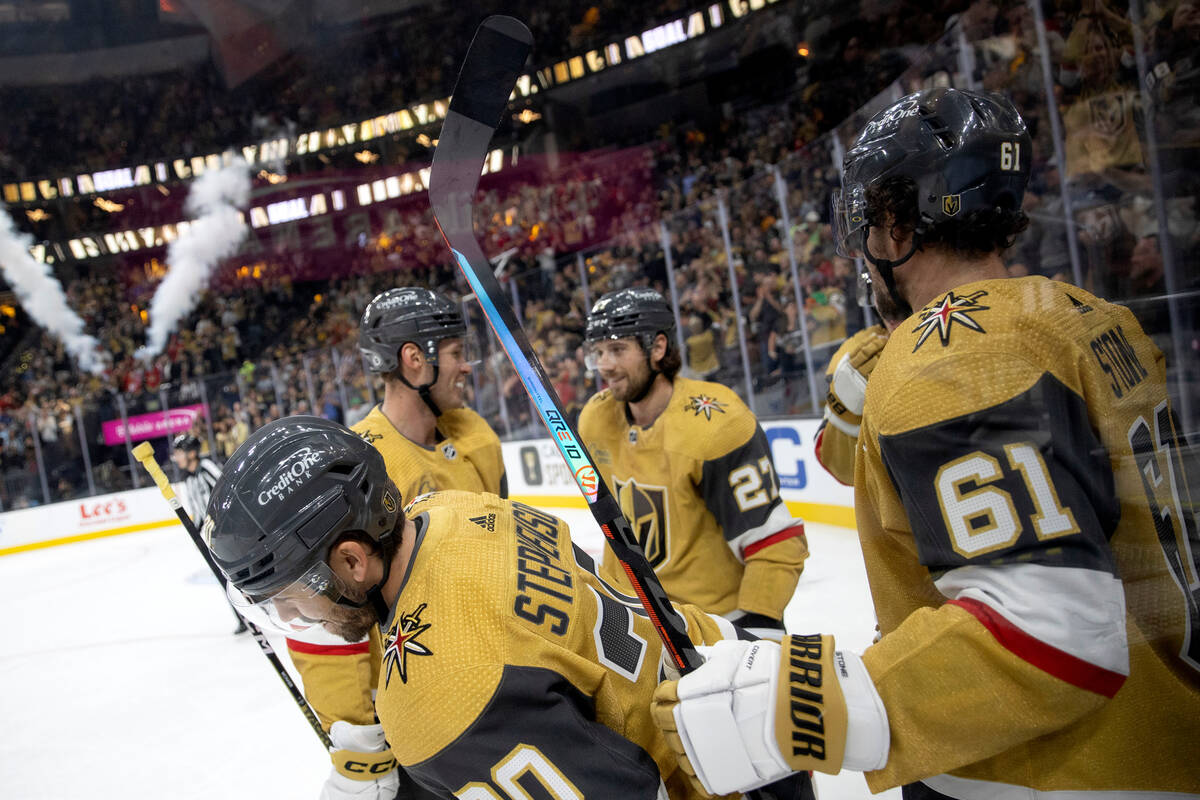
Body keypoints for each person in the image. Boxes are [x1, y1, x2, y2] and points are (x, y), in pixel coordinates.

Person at [651, 87, 1200, 798]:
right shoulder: (1088, 316)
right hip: (1166, 731)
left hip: (1056, 772)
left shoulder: (949, 352)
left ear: (895, 221)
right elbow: (847, 464)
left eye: (871, 220)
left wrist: (810, 705)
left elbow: (1050, 632)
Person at [204, 416, 810, 799]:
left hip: (713, 779)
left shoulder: (433, 702)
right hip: (741, 694)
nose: (295, 619)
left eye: (288, 598)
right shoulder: (455, 510)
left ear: (351, 562)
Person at [283, 287, 507, 800]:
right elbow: (329, 614)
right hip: (425, 711)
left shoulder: (477, 436)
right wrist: (361, 744)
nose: (466, 366)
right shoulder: (355, 467)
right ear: (414, 359)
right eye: (455, 353)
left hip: (503, 679)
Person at [579, 287, 809, 632]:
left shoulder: (717, 422)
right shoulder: (595, 420)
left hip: (711, 629)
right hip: (635, 626)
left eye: (617, 349)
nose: (604, 366)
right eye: (597, 352)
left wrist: (757, 629)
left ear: (657, 347)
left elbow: (774, 543)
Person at [171, 432, 247, 635]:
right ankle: (243, 617)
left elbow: (228, 491)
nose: (176, 458)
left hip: (230, 532)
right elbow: (197, 509)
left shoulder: (206, 468)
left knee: (242, 573)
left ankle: (263, 609)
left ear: (192, 453)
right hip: (212, 537)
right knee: (226, 578)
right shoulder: (188, 478)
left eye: (179, 453)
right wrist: (196, 530)